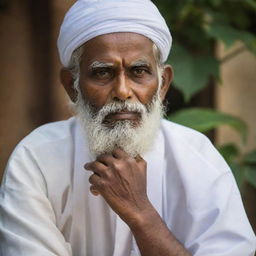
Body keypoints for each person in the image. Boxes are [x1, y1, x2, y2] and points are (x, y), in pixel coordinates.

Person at [0, 0, 255, 255]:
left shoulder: (198, 158)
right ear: (72, 85)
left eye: (139, 71)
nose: (123, 92)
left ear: (163, 83)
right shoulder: (37, 159)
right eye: (102, 73)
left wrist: (140, 213)